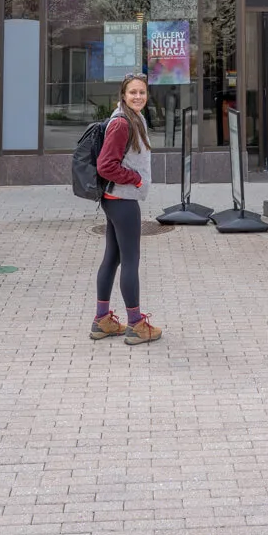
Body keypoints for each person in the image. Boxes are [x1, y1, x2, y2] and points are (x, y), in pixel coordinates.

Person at [90, 73, 162, 345]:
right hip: (122, 199)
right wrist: (136, 179)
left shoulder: (133, 118)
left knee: (113, 257)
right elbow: (105, 165)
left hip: (115, 198)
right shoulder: (122, 123)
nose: (138, 97)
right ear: (123, 94)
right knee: (130, 260)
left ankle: (102, 320)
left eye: (142, 92)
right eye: (133, 92)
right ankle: (135, 325)